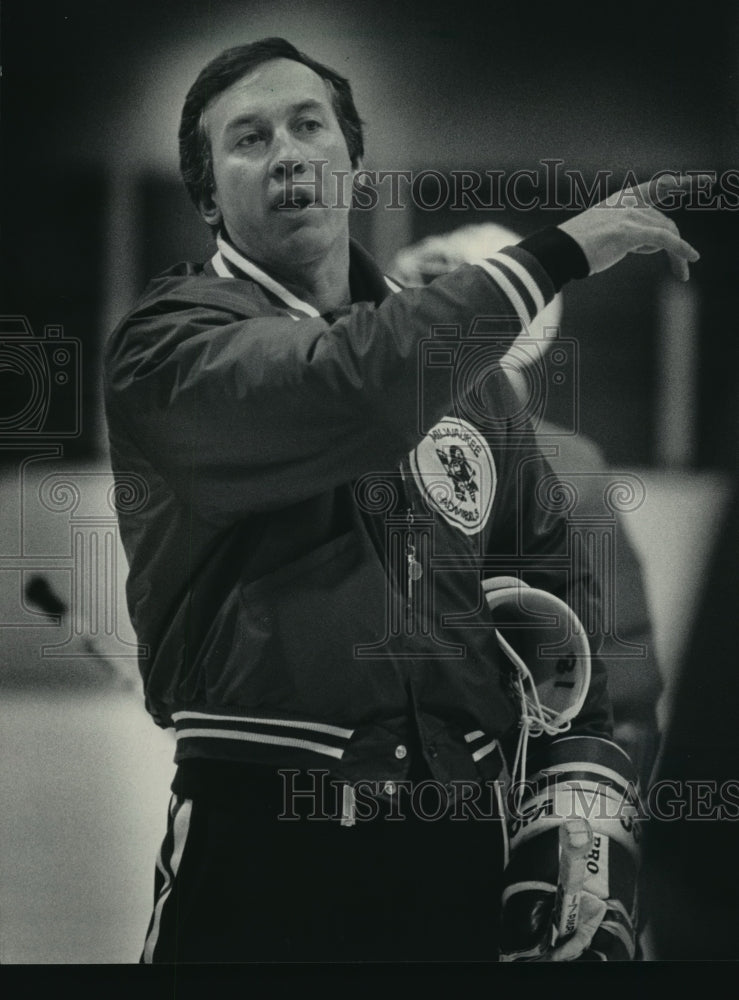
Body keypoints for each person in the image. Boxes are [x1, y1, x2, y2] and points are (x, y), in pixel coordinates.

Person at [103, 37, 699, 964]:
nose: (290, 152)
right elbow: (349, 382)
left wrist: (579, 820)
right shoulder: (169, 345)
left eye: (310, 127)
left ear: (350, 160)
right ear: (209, 192)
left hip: (454, 840)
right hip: (262, 844)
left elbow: (561, 621)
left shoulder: (477, 391)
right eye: (249, 139)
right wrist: (559, 251)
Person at [389, 223, 664, 789]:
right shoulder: (365, 439)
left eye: (437, 287)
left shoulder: (565, 464)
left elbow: (621, 680)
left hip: (487, 774)